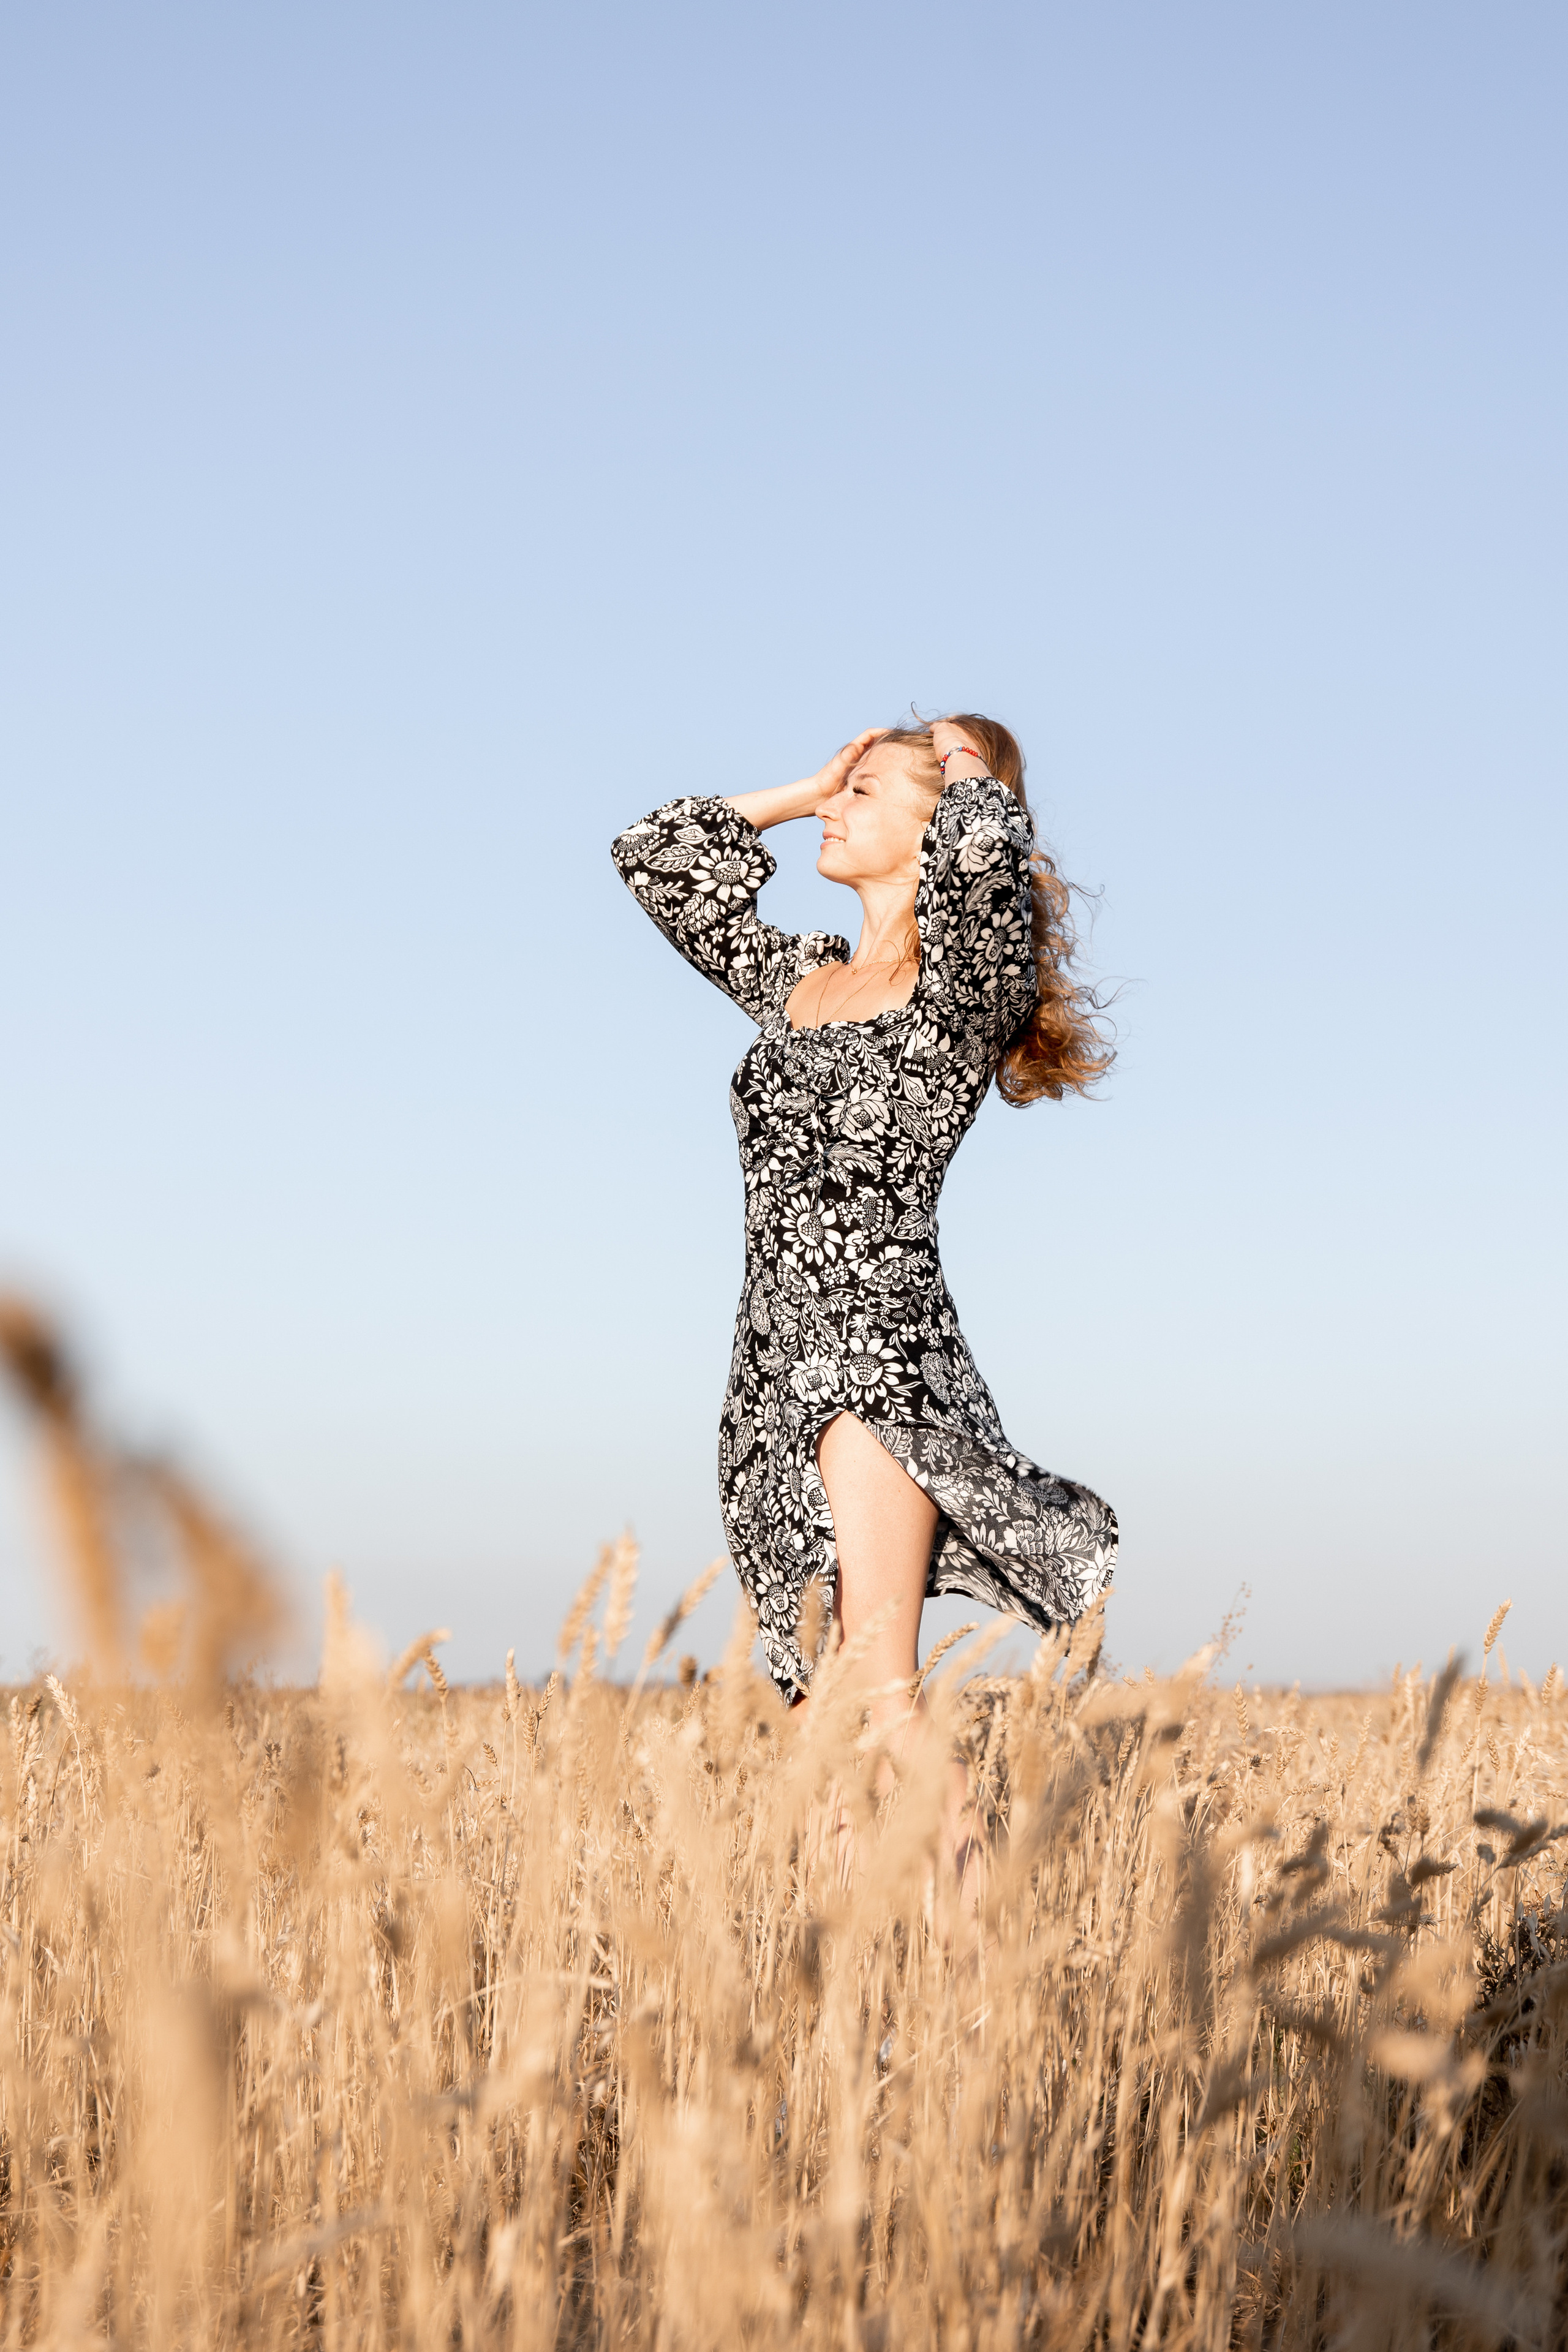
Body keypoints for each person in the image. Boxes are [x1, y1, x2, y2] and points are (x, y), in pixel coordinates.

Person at [611, 716, 1117, 1864]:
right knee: (816, 1715)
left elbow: (989, 867)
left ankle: (984, 1971)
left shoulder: (961, 990)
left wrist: (974, 764)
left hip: (876, 1354)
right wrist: (806, 788)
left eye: (865, 791)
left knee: (879, 1699)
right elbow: (653, 853)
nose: (837, 807)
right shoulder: (799, 979)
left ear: (939, 824)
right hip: (769, 1364)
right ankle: (859, 2000)